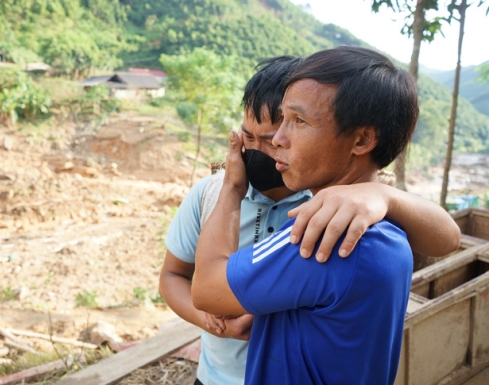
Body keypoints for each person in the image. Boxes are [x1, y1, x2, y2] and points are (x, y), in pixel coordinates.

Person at [161, 54, 460, 385]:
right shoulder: (382, 226)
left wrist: (232, 188)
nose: (275, 143)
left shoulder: (324, 230)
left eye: (298, 122)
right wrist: (382, 196)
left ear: (361, 140)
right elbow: (174, 276)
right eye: (248, 138)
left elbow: (206, 288)